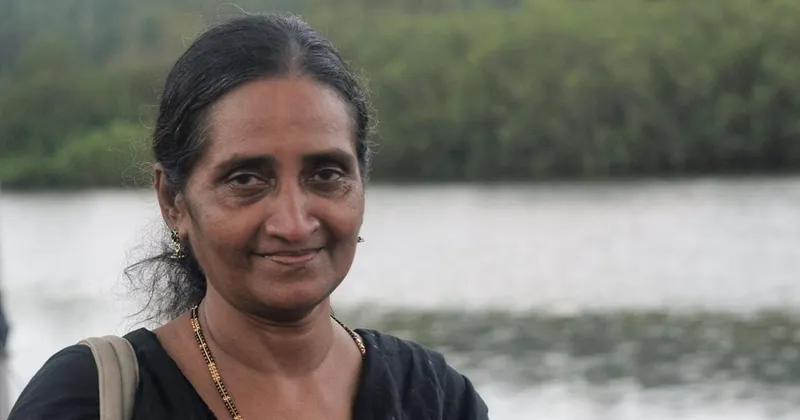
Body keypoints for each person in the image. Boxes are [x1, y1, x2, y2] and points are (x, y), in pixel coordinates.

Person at [8, 12, 489, 420]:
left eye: (326, 174)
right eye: (246, 180)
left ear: (362, 183)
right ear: (174, 202)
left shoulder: (435, 399)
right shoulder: (89, 400)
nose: (294, 224)